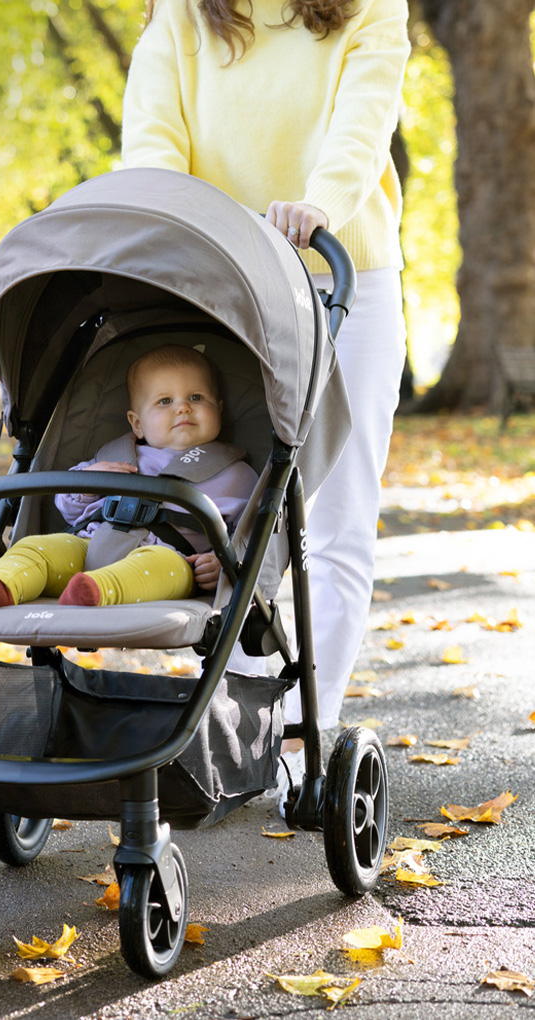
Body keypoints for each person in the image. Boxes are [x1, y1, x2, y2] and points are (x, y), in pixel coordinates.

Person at [120, 0, 410, 810]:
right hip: (226, 282)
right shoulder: (182, 13)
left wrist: (320, 203)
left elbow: (361, 122)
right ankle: (236, 733)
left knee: (338, 514)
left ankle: (293, 737)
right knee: (241, 508)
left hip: (339, 266)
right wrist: (167, 214)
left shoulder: (370, 10)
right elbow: (152, 136)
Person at [0, 344, 258, 608]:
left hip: (172, 560)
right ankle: (0, 584)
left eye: (196, 398)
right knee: (41, 548)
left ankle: (95, 592)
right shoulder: (115, 457)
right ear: (136, 424)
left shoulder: (236, 474)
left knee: (159, 566)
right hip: (89, 547)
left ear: (218, 408)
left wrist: (226, 563)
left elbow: (253, 535)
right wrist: (89, 480)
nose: (182, 409)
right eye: (165, 401)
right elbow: (68, 507)